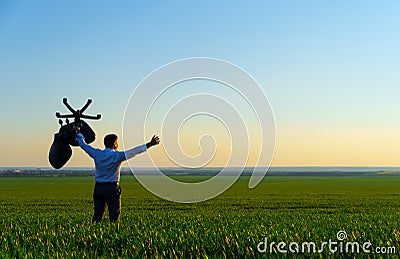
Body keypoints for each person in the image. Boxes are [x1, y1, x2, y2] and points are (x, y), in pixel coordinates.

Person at [76, 132, 160, 223]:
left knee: (97, 215)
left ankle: (92, 233)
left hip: (98, 188)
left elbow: (84, 145)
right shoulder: (117, 156)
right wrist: (150, 144)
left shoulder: (97, 153)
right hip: (112, 189)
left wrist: (79, 133)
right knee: (114, 216)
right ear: (115, 144)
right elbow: (134, 151)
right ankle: (113, 234)